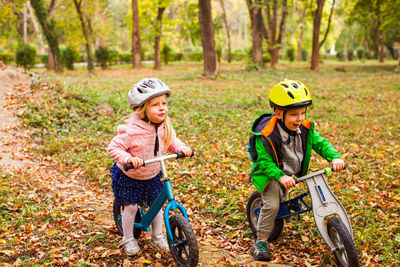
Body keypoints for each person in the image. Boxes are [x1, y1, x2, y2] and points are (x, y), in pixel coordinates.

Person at [249, 80, 345, 261]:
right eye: (294, 114)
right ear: (278, 113)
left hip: (288, 172)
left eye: (302, 113)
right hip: (268, 174)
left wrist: (334, 157)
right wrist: (280, 176)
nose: (299, 118)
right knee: (273, 205)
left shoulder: (305, 129)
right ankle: (260, 241)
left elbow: (320, 143)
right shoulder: (267, 135)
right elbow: (265, 162)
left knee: (286, 196)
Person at [108, 78, 192, 256]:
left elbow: (172, 142)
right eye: (155, 105)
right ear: (141, 109)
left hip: (153, 173)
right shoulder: (131, 130)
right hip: (131, 176)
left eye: (164, 103)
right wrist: (128, 158)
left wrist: (181, 148)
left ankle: (157, 235)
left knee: (157, 204)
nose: (162, 108)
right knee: (131, 207)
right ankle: (128, 238)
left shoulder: (164, 126)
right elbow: (114, 147)